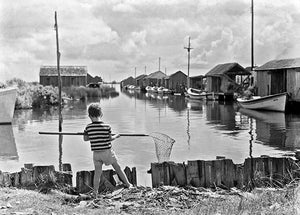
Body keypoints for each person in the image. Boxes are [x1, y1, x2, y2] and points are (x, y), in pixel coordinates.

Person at [83, 103, 132, 195]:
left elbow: (85, 139)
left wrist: (94, 136)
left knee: (97, 173)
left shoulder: (88, 127)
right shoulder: (107, 126)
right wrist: (116, 136)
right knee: (117, 168)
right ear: (101, 114)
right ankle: (128, 184)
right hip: (107, 152)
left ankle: (95, 191)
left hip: (96, 154)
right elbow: (110, 138)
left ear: (89, 116)